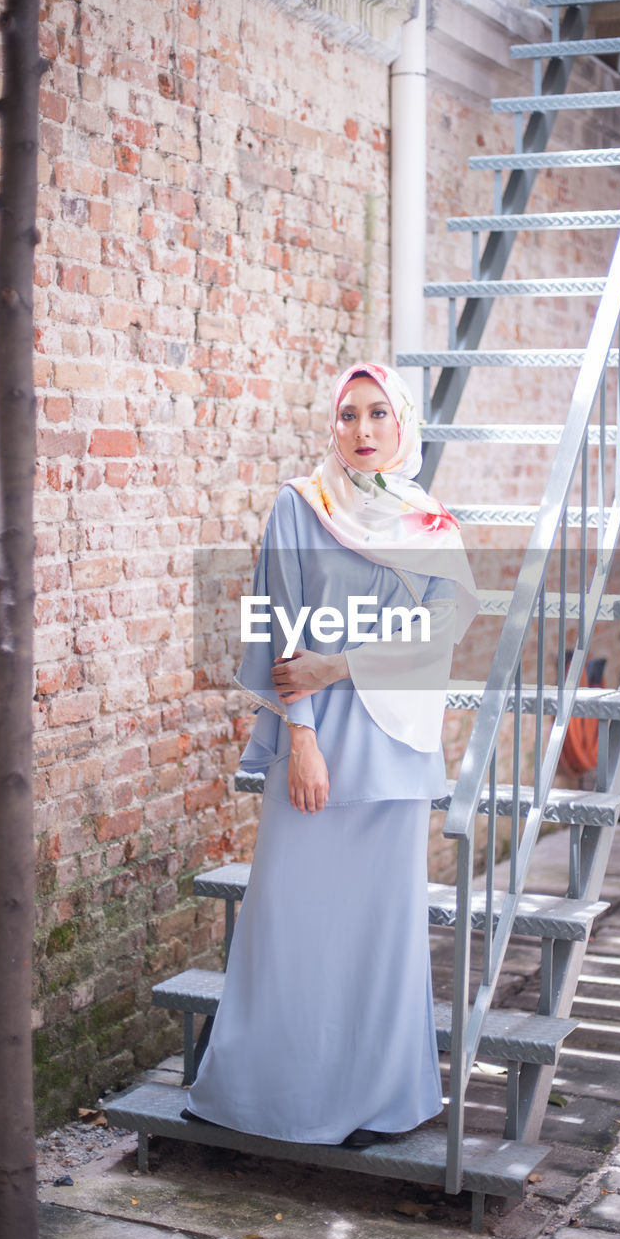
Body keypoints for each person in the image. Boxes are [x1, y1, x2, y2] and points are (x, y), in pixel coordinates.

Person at [184, 362, 478, 1147]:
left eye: (379, 414)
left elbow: (444, 628)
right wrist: (303, 733)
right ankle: (269, 1097)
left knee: (381, 936)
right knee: (291, 924)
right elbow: (279, 622)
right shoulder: (298, 505)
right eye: (348, 415)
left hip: (396, 747)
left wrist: (337, 664)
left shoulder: (429, 522)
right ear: (331, 424)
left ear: (402, 423)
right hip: (316, 742)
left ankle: (382, 1102)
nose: (363, 431)